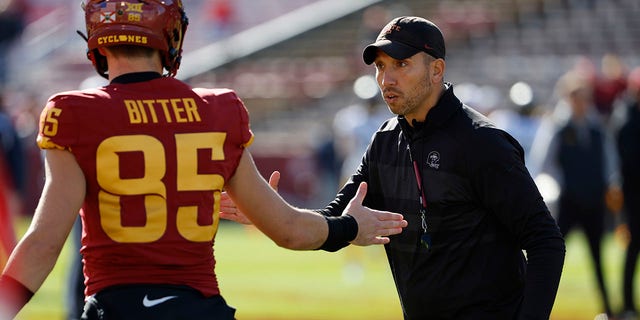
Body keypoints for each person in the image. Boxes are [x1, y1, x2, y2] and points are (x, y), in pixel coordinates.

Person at [0, 1, 407, 319]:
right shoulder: (218, 109)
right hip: (200, 309)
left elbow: (43, 244)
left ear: (97, 39)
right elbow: (288, 231)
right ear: (169, 34)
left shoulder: (73, 112)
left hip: (116, 309)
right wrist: (350, 226)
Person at [223, 16, 566, 319]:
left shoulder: (482, 143)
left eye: (401, 65)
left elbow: (545, 241)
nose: (386, 79)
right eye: (381, 67)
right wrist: (269, 213)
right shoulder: (385, 141)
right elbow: (335, 222)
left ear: (437, 70)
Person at [532, 69, 617, 317]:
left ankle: (608, 311)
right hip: (569, 201)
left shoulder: (596, 128)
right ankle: (530, 303)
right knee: (551, 252)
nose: (581, 103)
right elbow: (543, 163)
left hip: (594, 201)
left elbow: (609, 161)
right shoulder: (558, 127)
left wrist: (611, 184)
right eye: (576, 97)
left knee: (598, 258)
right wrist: (556, 187)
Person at [615, 66, 640, 320]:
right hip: (634, 198)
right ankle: (628, 304)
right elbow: (630, 163)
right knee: (633, 249)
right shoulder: (626, 119)